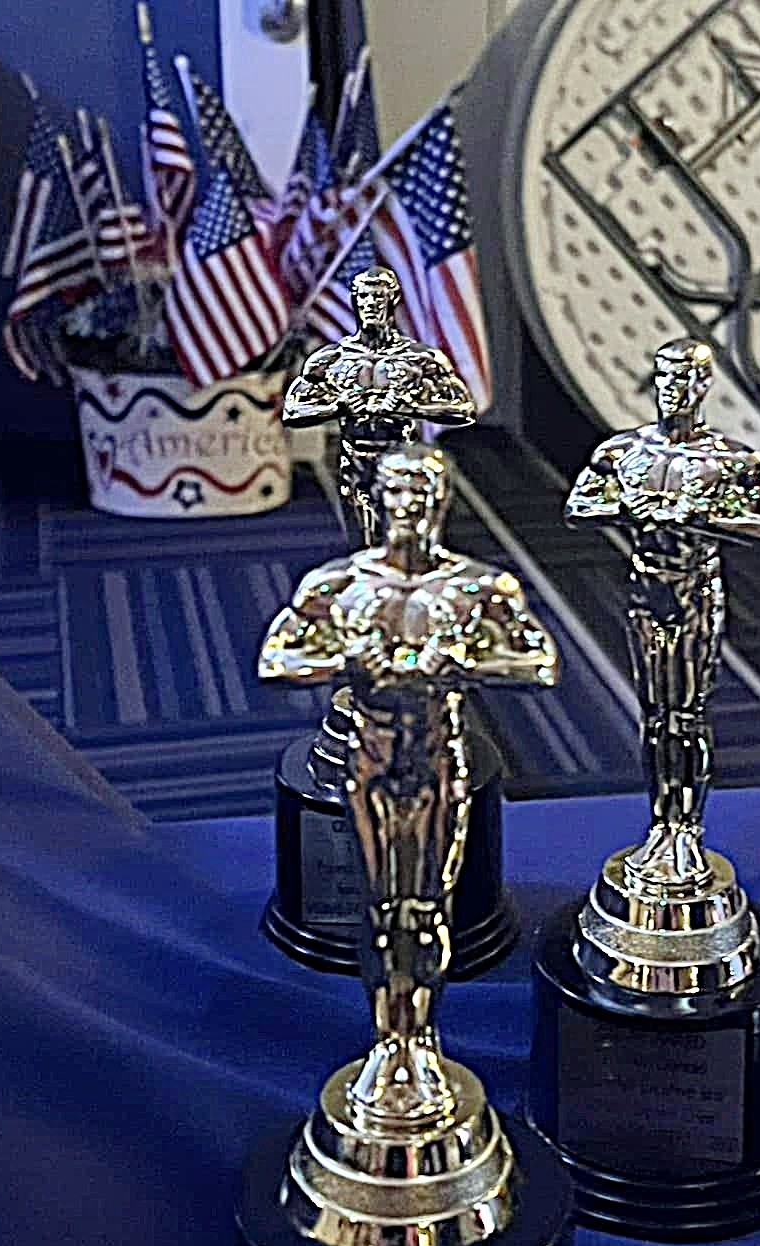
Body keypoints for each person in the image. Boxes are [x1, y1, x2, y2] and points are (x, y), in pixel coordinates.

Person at [260, 444, 556, 1127]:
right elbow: (278, 657)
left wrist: (460, 661)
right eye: (396, 493)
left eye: (420, 494)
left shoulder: (475, 587)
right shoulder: (342, 584)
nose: (407, 506)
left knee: (427, 906)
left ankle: (419, 1039)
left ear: (441, 501)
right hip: (369, 759)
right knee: (379, 905)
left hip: (437, 758)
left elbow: (538, 661)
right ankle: (386, 1040)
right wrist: (349, 659)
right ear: (380, 497)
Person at [567, 337, 760, 893]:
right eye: (665, 377)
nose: (673, 389)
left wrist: (701, 518)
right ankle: (658, 824)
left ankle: (686, 828)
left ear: (703, 385)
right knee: (654, 715)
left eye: (685, 378)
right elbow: (579, 506)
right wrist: (630, 507)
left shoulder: (730, 460)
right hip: (647, 588)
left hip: (695, 590)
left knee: (687, 715)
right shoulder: (624, 451)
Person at [280, 268, 476, 545]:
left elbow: (463, 408)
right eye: (364, 297)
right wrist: (339, 406)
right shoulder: (332, 359)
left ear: (393, 300)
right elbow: (291, 412)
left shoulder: (419, 358)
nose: (370, 304)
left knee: (405, 540)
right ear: (355, 301)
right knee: (361, 544)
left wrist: (410, 407)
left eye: (378, 297)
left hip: (401, 459)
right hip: (354, 459)